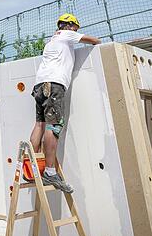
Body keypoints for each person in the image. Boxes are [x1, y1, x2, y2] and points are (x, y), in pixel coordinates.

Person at [29, 13, 100, 193]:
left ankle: (32, 167)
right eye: (76, 28)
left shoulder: (51, 42)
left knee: (39, 124)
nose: (77, 31)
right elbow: (94, 41)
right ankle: (50, 172)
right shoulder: (65, 34)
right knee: (54, 126)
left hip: (39, 85)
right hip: (54, 84)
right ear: (68, 25)